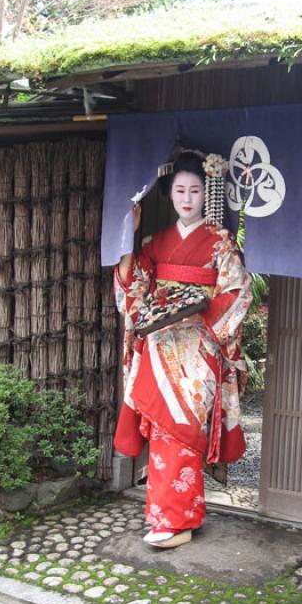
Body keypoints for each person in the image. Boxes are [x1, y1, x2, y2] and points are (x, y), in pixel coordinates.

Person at [114, 151, 252, 549]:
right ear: (170, 195)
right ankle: (169, 516)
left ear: (205, 192)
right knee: (161, 428)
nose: (187, 198)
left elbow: (236, 291)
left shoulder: (221, 242)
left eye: (194, 190)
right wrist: (129, 242)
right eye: (179, 191)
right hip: (159, 344)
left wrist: (199, 314)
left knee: (185, 428)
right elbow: (134, 286)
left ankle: (179, 519)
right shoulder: (155, 243)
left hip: (199, 346)